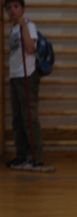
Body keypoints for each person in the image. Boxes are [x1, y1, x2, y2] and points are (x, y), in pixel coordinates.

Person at [4, 0, 43, 169]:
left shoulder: (29, 25)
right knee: (17, 119)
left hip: (26, 76)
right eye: (9, 8)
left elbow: (30, 48)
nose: (12, 10)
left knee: (29, 118)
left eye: (16, 6)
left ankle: (36, 157)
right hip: (15, 77)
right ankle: (21, 155)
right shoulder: (12, 29)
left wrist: (24, 26)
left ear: (23, 9)